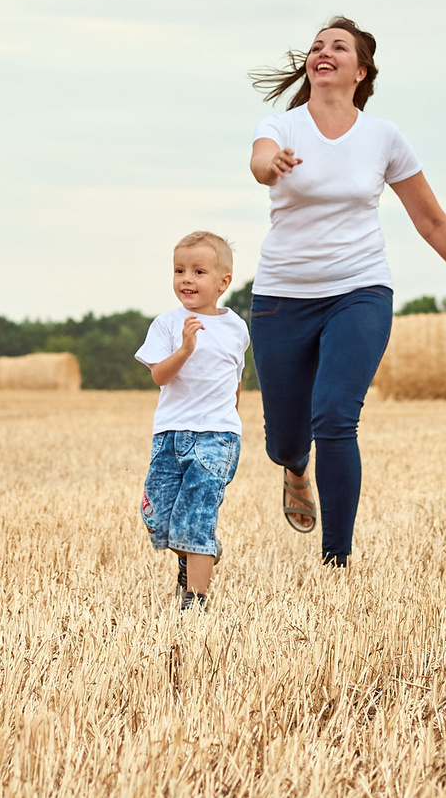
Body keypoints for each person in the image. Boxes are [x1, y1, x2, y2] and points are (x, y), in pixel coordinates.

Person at [247, 16, 446, 566]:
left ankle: (336, 561)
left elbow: (432, 221)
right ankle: (295, 468)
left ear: (361, 71)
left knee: (335, 416)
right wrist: (271, 163)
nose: (323, 52)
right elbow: (260, 163)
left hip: (359, 290)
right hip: (282, 297)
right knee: (285, 441)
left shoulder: (383, 137)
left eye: (338, 47)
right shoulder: (282, 126)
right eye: (317, 46)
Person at [133, 230, 251, 611]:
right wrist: (185, 349)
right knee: (156, 516)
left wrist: (231, 422)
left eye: (199, 272)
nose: (187, 279)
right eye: (179, 270)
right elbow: (160, 376)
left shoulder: (237, 328)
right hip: (170, 435)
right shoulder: (166, 325)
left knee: (197, 516)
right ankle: (203, 549)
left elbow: (234, 380)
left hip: (216, 437)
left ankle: (195, 599)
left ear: (223, 282)